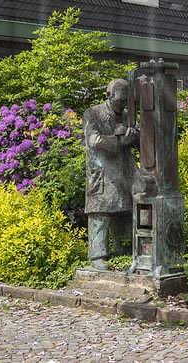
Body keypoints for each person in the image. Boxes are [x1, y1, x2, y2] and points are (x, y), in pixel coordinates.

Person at [83, 78, 139, 270]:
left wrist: (135, 136)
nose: (123, 104)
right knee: (101, 211)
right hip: (102, 171)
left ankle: (123, 248)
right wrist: (121, 140)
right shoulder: (93, 114)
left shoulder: (126, 116)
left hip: (124, 170)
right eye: (121, 100)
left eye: (126, 101)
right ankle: (97, 256)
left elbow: (137, 142)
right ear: (109, 96)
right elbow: (95, 141)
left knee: (127, 208)